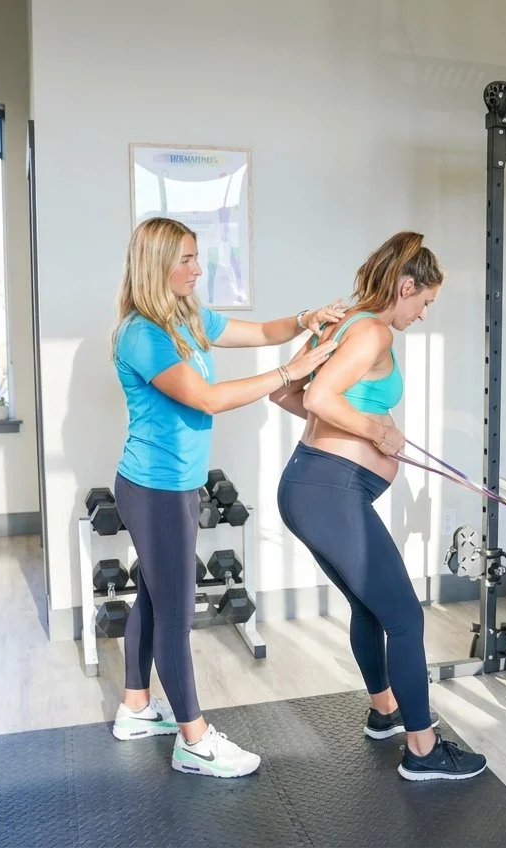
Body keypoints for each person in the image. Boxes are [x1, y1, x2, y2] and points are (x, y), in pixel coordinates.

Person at [108, 216, 343, 778]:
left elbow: (261, 332)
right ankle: (193, 739)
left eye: (197, 257)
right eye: (185, 259)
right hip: (155, 488)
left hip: (174, 485)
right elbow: (206, 399)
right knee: (174, 612)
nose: (197, 268)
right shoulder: (142, 332)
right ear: (155, 263)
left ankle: (136, 707)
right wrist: (290, 372)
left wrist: (308, 320)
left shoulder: (187, 317)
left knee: (151, 596)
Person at [271, 231, 488, 781]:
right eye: (424, 302)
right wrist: (375, 431)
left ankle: (385, 712)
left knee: (372, 609)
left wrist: (369, 435)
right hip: (330, 490)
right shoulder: (369, 331)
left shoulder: (341, 324)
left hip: (312, 488)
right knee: (407, 617)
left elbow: (286, 392)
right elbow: (318, 399)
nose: (423, 315)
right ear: (406, 285)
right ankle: (422, 749)